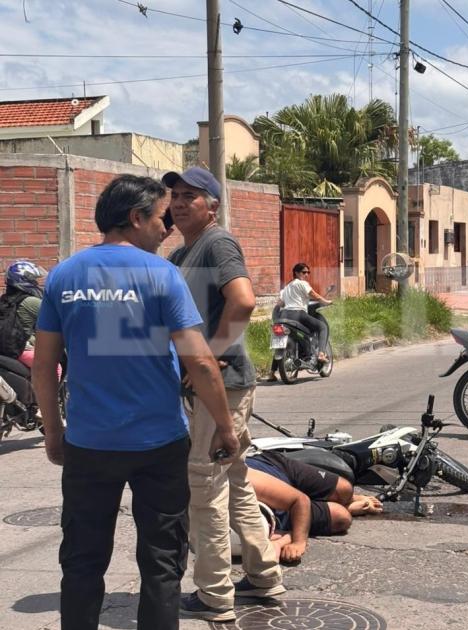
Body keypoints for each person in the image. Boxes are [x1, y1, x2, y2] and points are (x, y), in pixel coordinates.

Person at [30, 175, 240, 630]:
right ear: (136, 217)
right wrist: (226, 427)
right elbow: (201, 362)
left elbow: (43, 366)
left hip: (89, 444)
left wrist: (54, 431)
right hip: (158, 445)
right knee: (162, 563)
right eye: (162, 217)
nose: (167, 228)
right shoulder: (161, 274)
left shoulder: (64, 274)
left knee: (82, 562)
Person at [164, 166, 284, 621]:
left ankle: (214, 595)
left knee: (204, 485)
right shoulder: (183, 254)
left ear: (212, 205)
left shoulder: (218, 242)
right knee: (233, 482)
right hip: (211, 386)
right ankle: (263, 577)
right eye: (174, 195)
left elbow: (244, 301)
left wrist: (209, 357)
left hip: (223, 385)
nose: (178, 203)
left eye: (190, 196)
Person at [245, 451, 383, 563]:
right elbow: (279, 536)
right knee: (342, 517)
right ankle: (345, 506)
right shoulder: (232, 538)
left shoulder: (242, 480)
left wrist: (299, 542)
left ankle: (349, 499)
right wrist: (280, 543)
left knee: (344, 489)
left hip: (277, 470)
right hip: (276, 513)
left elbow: (298, 500)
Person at [278, 262, 332, 364]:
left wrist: (291, 301)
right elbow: (314, 295)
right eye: (304, 272)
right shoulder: (302, 283)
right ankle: (321, 354)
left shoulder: (287, 287)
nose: (306, 275)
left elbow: (280, 304)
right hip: (298, 314)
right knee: (322, 327)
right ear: (296, 273)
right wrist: (326, 302)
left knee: (287, 337)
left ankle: (273, 372)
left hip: (284, 315)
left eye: (308, 272)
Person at [2, 260, 47, 368]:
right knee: (53, 366)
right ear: (24, 281)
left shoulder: (9, 298)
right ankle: (47, 386)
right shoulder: (31, 301)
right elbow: (58, 316)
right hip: (21, 348)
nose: (37, 284)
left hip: (11, 347)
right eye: (33, 280)